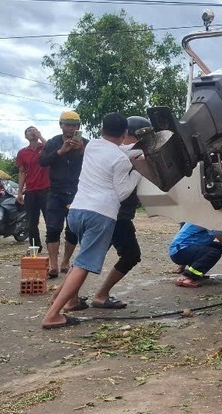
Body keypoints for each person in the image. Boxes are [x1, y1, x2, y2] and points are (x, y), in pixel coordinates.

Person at [41, 113, 142, 329]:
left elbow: (123, 149)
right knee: (84, 265)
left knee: (81, 260)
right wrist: (138, 172)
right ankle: (53, 315)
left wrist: (141, 151)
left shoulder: (93, 145)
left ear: (102, 129)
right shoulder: (120, 160)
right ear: (125, 132)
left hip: (77, 211)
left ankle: (60, 299)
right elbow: (122, 193)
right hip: (100, 214)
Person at [89, 116, 152, 309]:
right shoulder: (121, 156)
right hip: (115, 216)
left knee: (88, 257)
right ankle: (100, 295)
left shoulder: (113, 153)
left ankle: (69, 297)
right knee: (130, 255)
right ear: (128, 136)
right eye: (141, 139)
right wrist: (139, 167)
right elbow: (123, 191)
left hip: (110, 214)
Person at [39, 111, 89, 278]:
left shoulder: (85, 143)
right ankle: (53, 264)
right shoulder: (53, 142)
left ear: (78, 127)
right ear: (61, 125)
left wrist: (82, 150)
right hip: (56, 191)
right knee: (53, 228)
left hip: (78, 192)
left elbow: (96, 163)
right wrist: (60, 151)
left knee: (73, 229)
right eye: (67, 125)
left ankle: (65, 261)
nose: (70, 128)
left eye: (74, 125)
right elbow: (42, 161)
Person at [169, 222, 222, 288]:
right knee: (214, 252)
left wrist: (182, 266)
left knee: (218, 246)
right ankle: (187, 277)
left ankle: (194, 271)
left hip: (181, 249)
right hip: (180, 251)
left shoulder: (207, 215)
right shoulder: (213, 221)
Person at [15, 127, 50, 252]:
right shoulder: (22, 152)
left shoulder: (44, 146)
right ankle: (35, 247)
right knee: (31, 222)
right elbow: (22, 172)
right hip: (30, 191)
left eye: (34, 130)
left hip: (46, 189)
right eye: (29, 131)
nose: (32, 132)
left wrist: (40, 136)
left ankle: (52, 246)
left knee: (50, 220)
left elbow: (52, 149)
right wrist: (19, 192)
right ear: (25, 136)